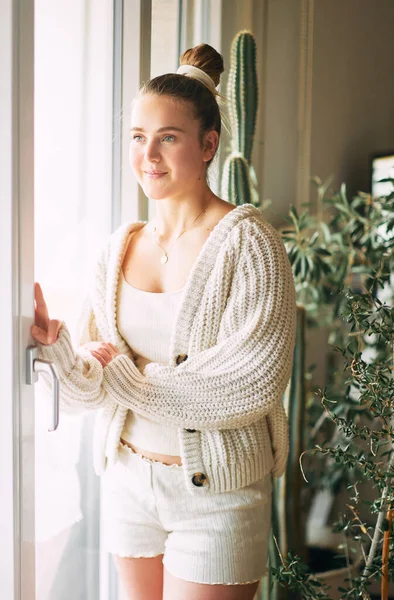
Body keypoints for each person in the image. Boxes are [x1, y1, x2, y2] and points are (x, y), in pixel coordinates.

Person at [31, 43, 297, 600]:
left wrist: (126, 375)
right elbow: (87, 394)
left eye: (167, 137)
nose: (147, 154)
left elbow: (246, 385)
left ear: (208, 145)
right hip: (129, 483)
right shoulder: (117, 250)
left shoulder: (250, 245)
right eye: (137, 136)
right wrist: (57, 351)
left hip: (216, 498)